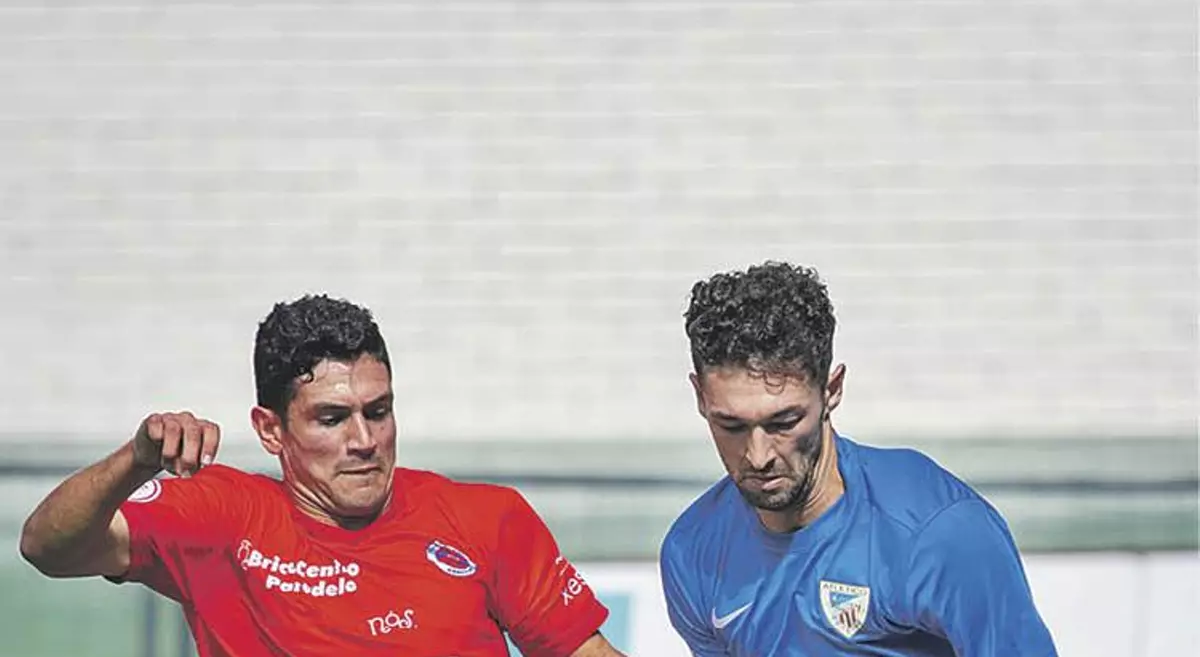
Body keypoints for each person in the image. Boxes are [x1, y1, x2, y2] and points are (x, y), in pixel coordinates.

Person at [21, 294, 624, 657]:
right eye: (332, 419)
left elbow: (582, 650)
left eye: (378, 411)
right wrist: (134, 461)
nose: (364, 440)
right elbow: (47, 546)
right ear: (270, 430)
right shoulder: (220, 516)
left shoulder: (486, 517)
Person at [659, 262, 1058, 656]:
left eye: (784, 422)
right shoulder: (692, 551)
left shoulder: (938, 529)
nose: (758, 456)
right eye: (731, 425)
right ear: (700, 398)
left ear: (831, 390)